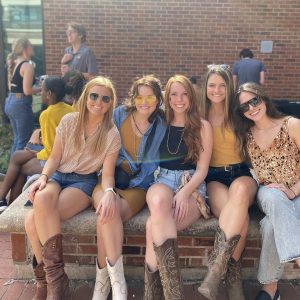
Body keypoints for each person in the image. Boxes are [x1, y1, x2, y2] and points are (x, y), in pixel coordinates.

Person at [24, 76, 121, 299]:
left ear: (110, 103)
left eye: (105, 98)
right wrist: (44, 177)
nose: (98, 102)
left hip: (83, 182)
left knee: (32, 221)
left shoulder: (111, 134)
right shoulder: (69, 121)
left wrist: (108, 192)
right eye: (94, 96)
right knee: (42, 199)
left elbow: (107, 175)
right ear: (86, 96)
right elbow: (55, 156)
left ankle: (47, 284)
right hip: (57, 175)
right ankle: (55, 280)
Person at [91, 75, 166, 300]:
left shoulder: (162, 124)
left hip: (139, 187)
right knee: (106, 208)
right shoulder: (118, 115)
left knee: (106, 215)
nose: (144, 102)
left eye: (150, 97)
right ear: (132, 98)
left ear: (158, 99)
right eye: (139, 96)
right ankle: (117, 285)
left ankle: (103, 284)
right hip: (108, 180)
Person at [144, 75, 213, 299]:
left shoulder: (202, 126)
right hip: (162, 180)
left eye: (184, 94)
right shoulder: (159, 124)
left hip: (191, 183)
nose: (179, 99)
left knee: (151, 226)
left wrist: (183, 194)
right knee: (158, 202)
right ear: (167, 97)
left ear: (191, 97)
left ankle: (153, 293)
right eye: (173, 94)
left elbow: (202, 170)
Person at [234, 82, 300, 300]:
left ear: (263, 98)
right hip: (268, 193)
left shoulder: (292, 125)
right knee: (273, 197)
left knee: (271, 225)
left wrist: (292, 191)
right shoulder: (247, 135)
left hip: (297, 191)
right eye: (244, 106)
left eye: (254, 100)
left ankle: (269, 291)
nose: (251, 108)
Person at [198, 65, 257, 300]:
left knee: (241, 193)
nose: (217, 90)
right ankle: (233, 278)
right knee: (239, 217)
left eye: (222, 85)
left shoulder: (238, 111)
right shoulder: (199, 113)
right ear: (205, 87)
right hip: (213, 176)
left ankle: (214, 273)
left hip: (242, 172)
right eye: (212, 85)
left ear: (229, 87)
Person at [0, 77, 75, 212]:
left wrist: (35, 153)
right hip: (66, 155)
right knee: (17, 156)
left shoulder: (47, 115)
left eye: (42, 91)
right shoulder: (70, 110)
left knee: (21, 166)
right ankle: (4, 203)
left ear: (49, 94)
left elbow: (52, 151)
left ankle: (9, 207)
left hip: (57, 162)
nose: (40, 94)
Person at [5, 38, 41, 154]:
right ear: (25, 49)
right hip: (20, 105)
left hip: (11, 102)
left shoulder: (14, 63)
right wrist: (42, 88)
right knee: (24, 140)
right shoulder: (27, 66)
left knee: (18, 140)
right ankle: (16, 171)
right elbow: (27, 90)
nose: (33, 47)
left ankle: (10, 171)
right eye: (31, 45)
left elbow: (13, 87)